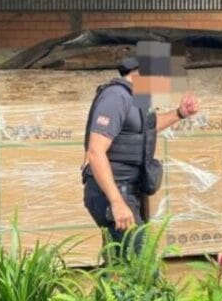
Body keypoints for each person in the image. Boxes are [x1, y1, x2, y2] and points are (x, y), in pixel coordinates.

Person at [82, 43, 199, 252]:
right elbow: (95, 152)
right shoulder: (116, 97)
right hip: (114, 192)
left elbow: (148, 127)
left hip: (127, 190)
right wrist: (117, 202)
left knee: (121, 260)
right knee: (136, 260)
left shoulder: (137, 100)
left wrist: (180, 113)